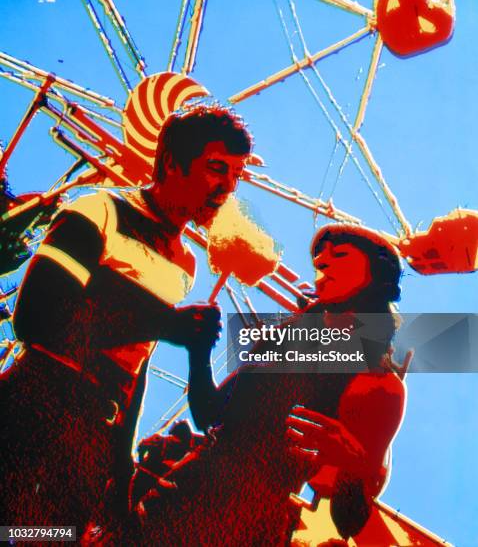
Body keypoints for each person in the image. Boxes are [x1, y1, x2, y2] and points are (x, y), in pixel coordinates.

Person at [0, 105, 253, 533]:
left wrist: (120, 470)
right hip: (34, 408)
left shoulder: (184, 265)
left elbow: (135, 365)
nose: (226, 187)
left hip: (91, 439)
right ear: (172, 162)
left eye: (234, 176)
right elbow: (36, 317)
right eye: (216, 168)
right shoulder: (100, 210)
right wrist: (167, 323)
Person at [134, 224, 407, 546]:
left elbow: (348, 518)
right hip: (184, 488)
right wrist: (199, 353)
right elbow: (210, 415)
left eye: (341, 256)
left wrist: (354, 464)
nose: (323, 263)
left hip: (248, 520)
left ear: (378, 279)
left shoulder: (377, 384)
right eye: (320, 259)